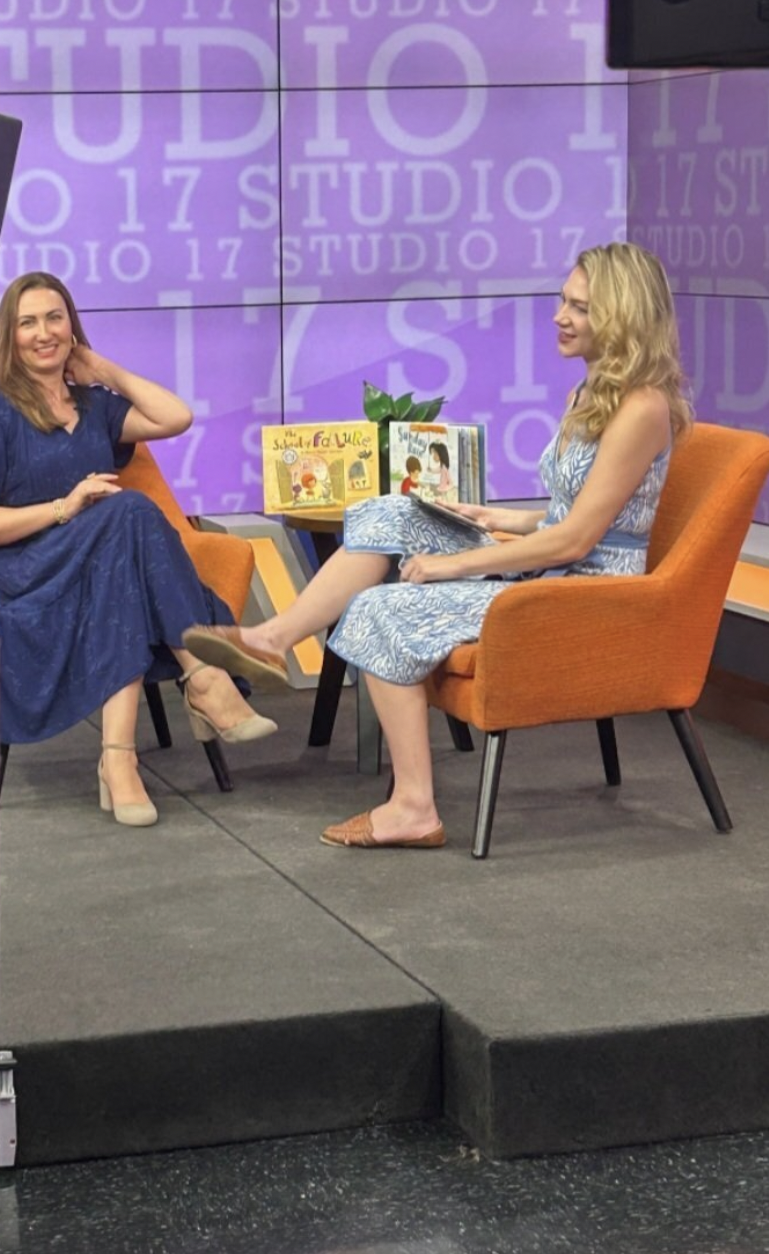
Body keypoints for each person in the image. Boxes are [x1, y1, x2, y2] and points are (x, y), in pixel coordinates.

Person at [184, 242, 691, 850]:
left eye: (580, 307)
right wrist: (497, 516)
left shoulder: (641, 409)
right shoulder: (588, 394)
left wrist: (457, 563)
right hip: (555, 565)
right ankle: (273, 639)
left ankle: (414, 807)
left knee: (380, 609)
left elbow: (579, 539)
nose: (560, 315)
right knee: (391, 509)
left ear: (623, 316)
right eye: (564, 300)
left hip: (588, 592)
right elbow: (572, 514)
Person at [0, 271, 276, 829]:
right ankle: (202, 677)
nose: (43, 333)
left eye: (55, 318)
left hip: (102, 562)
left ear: (72, 327)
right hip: (29, 568)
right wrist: (65, 506)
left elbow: (177, 417)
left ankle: (119, 757)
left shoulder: (95, 405)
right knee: (129, 511)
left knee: (122, 546)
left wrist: (101, 369)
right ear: (10, 335)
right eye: (28, 323)